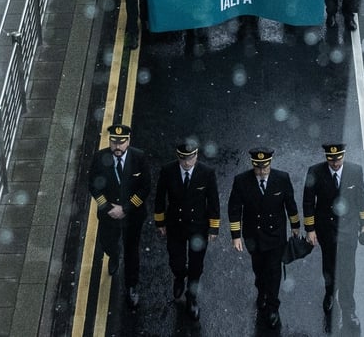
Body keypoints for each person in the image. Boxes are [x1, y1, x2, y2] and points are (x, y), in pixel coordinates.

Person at [228, 147, 302, 331]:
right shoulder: (241, 181)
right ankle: (261, 291)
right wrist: (236, 236)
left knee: (274, 271)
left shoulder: (282, 178)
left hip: (275, 236)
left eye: (265, 167)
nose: (261, 171)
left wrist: (295, 226)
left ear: (270, 163)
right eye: (258, 167)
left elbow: (290, 204)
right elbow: (234, 209)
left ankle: (273, 306)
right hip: (254, 236)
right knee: (259, 270)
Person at [303, 143, 364, 330]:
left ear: (343, 156)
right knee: (329, 265)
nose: (335, 163)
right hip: (327, 229)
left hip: (349, 228)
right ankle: (330, 294)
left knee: (348, 270)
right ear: (327, 157)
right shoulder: (315, 172)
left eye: (338, 159)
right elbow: (308, 202)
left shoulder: (355, 171)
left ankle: (348, 308)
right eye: (331, 160)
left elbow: (360, 198)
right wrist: (310, 229)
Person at [153, 139, 220, 320]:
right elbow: (160, 197)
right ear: (178, 157)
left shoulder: (207, 172)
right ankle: (179, 277)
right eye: (183, 159)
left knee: (196, 266)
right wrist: (160, 222)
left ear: (196, 155)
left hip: (198, 227)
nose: (187, 163)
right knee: (176, 261)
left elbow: (213, 201)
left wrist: (213, 228)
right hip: (175, 224)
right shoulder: (168, 171)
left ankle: (191, 297)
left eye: (190, 158)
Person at [88, 124, 150, 309]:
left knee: (131, 251)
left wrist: (126, 208)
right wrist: (108, 207)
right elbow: (93, 185)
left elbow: (145, 187)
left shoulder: (139, 157)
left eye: (121, 142)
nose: (117, 146)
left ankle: (131, 286)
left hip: (132, 216)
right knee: (107, 243)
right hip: (109, 215)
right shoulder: (100, 158)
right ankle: (113, 255)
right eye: (114, 142)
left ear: (128, 141)